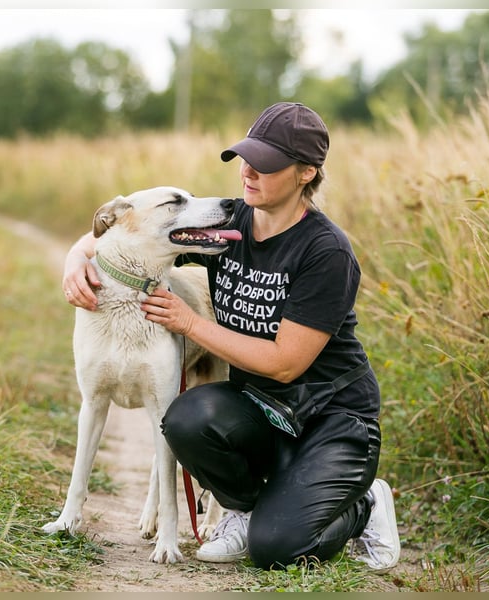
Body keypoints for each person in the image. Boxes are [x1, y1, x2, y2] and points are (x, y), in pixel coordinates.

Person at [61, 102, 400, 572]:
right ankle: (246, 507)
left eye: (267, 163)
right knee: (184, 418)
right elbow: (132, 234)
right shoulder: (229, 222)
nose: (248, 171)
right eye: (245, 157)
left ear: (306, 173)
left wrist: (191, 324)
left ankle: (364, 506)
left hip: (330, 419)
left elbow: (285, 363)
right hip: (261, 410)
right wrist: (75, 260)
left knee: (277, 549)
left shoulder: (326, 252)